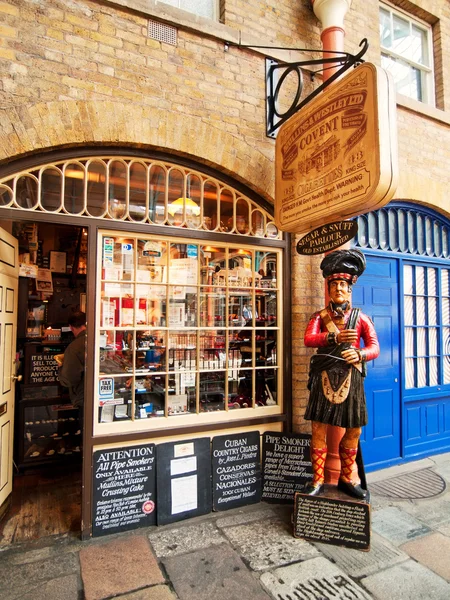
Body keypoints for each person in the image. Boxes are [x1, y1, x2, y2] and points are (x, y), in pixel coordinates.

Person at [303, 249, 379, 500]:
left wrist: (360, 355)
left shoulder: (362, 319)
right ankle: (317, 479)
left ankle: (347, 477)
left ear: (350, 288)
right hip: (325, 374)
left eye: (343, 284)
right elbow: (308, 338)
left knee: (354, 429)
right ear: (328, 288)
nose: (338, 289)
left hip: (351, 376)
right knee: (318, 427)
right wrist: (332, 337)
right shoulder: (320, 316)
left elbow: (375, 347)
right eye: (333, 284)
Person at [58, 311, 87, 423]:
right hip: (105, 395)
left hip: (84, 397)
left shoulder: (74, 348)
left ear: (71, 327)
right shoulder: (101, 340)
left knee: (85, 431)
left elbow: (69, 379)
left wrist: (61, 367)